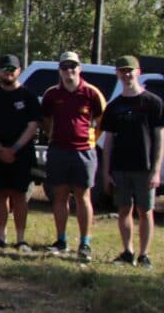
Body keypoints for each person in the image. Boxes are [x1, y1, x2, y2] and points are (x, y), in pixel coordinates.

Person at [101, 55, 164, 269]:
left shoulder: (153, 103)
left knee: (145, 210)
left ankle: (144, 255)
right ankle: (127, 252)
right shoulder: (114, 107)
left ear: (138, 72)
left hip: (145, 168)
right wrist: (106, 171)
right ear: (117, 74)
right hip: (120, 167)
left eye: (130, 70)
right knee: (123, 209)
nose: (127, 74)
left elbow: (159, 139)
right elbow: (108, 141)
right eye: (122, 70)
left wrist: (156, 170)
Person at [41, 51, 106, 262]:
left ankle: (85, 243)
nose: (69, 70)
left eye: (73, 66)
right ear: (59, 70)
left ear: (80, 68)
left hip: (84, 152)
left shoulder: (91, 92)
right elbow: (46, 119)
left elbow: (102, 119)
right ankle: (61, 240)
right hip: (58, 150)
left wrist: (90, 139)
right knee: (59, 196)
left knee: (83, 196)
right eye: (65, 67)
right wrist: (52, 135)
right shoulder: (52, 94)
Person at [0, 54, 41, 251]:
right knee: (0, 195)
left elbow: (33, 126)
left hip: (22, 153)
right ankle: (1, 237)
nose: (8, 72)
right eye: (5, 69)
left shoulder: (29, 97)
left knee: (19, 196)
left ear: (19, 70)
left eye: (12, 69)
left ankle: (21, 239)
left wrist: (14, 149)